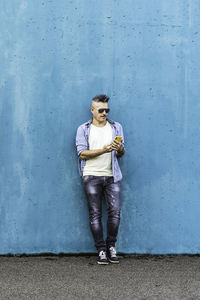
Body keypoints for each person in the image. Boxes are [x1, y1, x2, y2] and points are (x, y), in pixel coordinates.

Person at [75, 94, 125, 265]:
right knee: (95, 214)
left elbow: (121, 153)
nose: (105, 113)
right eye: (101, 110)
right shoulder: (84, 129)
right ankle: (101, 250)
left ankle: (111, 247)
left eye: (107, 110)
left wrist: (119, 149)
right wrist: (103, 150)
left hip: (112, 176)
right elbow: (82, 153)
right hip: (91, 176)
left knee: (115, 213)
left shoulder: (116, 127)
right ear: (92, 110)